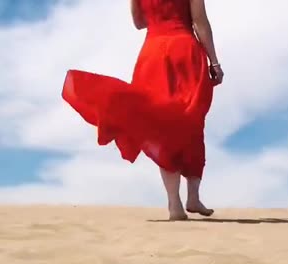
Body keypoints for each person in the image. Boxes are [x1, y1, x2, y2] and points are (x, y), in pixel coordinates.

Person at [62, 0, 224, 221]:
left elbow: (139, 23)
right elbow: (200, 22)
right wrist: (214, 62)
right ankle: (193, 197)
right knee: (191, 121)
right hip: (184, 50)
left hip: (153, 54)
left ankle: (174, 203)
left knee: (160, 124)